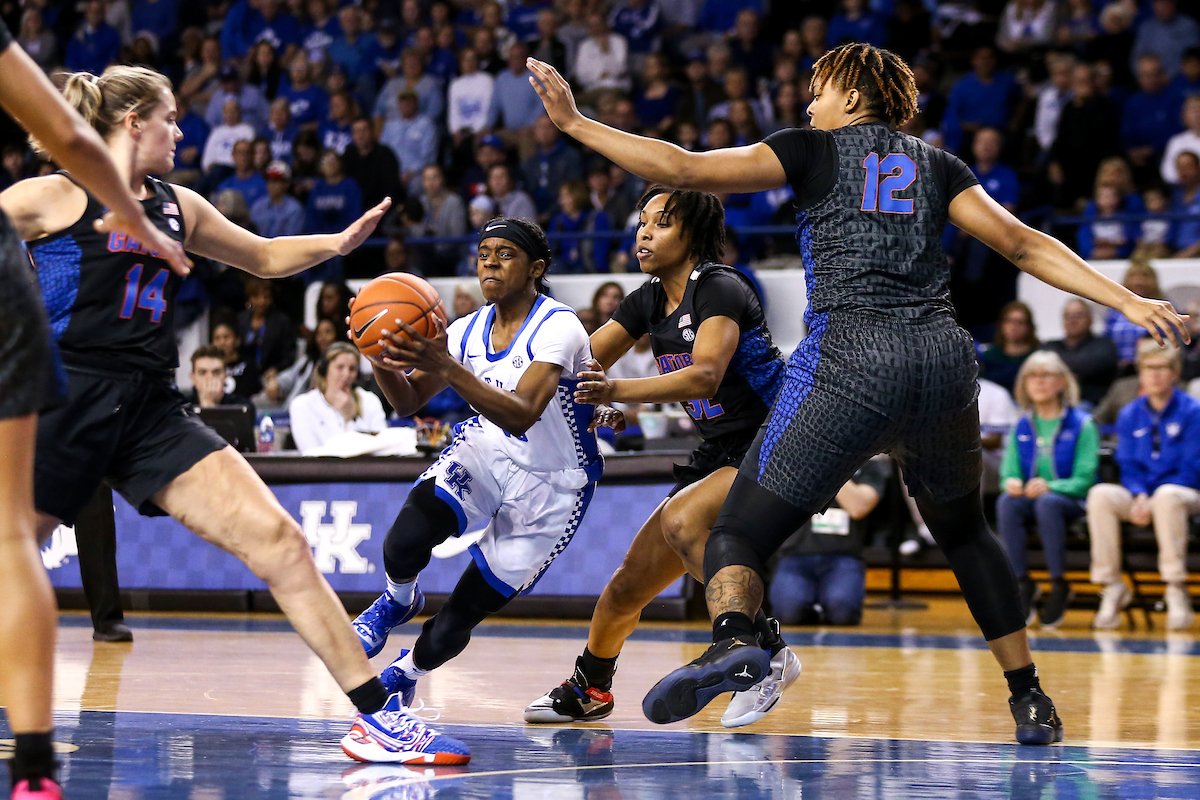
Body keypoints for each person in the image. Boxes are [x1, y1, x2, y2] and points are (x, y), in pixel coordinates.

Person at [526, 42, 1188, 743]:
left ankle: (736, 640)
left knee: (738, 532)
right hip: (941, 361)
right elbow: (1023, 244)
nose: (809, 102)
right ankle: (1029, 698)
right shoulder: (939, 165)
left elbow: (685, 169)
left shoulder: (813, 150)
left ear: (850, 91)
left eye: (818, 89)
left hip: (851, 358)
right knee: (966, 532)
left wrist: (575, 123)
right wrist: (1125, 301)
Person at [1, 64, 468, 766]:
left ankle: (375, 720)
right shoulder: (51, 194)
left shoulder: (176, 206)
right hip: (65, 400)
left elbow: (263, 255)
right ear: (134, 124)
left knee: (281, 544)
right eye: (170, 118)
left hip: (152, 407)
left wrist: (337, 245)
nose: (181, 132)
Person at [524, 187, 799, 729]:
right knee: (628, 584)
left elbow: (704, 374)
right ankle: (592, 687)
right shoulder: (647, 298)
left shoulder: (721, 286)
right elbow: (577, 363)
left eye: (661, 223)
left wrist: (616, 395)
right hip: (720, 449)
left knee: (681, 520)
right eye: (641, 222)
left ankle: (762, 652)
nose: (643, 233)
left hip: (778, 438)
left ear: (691, 234)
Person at [0, 21, 191, 798]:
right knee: (19, 540)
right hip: (46, 356)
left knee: (29, 535)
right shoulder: (51, 189)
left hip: (70, 372)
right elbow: (72, 145)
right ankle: (37, 762)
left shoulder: (69, 188)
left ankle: (42, 747)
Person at [347, 219, 604, 755]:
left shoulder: (560, 326)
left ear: (535, 270)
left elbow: (523, 414)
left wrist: (445, 363)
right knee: (403, 540)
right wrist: (379, 358)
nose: (489, 262)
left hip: (553, 486)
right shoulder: (465, 329)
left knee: (455, 621)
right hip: (486, 452)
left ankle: (406, 672)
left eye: (504, 254)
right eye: (483, 252)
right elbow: (408, 403)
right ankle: (397, 599)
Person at [1087, 339, 1200, 631]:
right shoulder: (1130, 413)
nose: (1155, 375)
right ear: (1140, 372)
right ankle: (1112, 585)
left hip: (1185, 492)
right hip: (1145, 494)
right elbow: (1128, 463)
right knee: (1101, 494)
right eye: (1149, 368)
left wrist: (1148, 496)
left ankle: (1175, 587)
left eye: (1162, 368)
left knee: (1167, 495)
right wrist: (1138, 494)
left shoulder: (1192, 411)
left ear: (1175, 373)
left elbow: (1191, 467)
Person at [997, 351, 1099, 629]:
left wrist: (1050, 486)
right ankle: (1021, 582)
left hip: (1071, 501)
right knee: (1007, 501)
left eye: (1046, 375)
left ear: (1062, 382)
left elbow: (1085, 478)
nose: (1038, 382)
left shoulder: (1082, 424)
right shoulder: (1022, 424)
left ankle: (1059, 583)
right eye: (1032, 375)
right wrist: (1011, 482)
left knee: (1048, 503)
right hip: (1033, 498)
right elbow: (1008, 470)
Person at [767, 459, 890, 626]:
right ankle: (811, 607)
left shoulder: (868, 464)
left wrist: (829, 466)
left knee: (843, 613)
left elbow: (858, 508)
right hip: (795, 556)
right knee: (788, 614)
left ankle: (827, 603)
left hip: (843, 557)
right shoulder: (789, 460)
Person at [289, 342, 386, 453]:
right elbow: (310, 452)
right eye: (340, 367)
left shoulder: (370, 401)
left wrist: (350, 419)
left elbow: (382, 447)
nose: (346, 375)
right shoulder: (302, 405)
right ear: (325, 370)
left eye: (352, 369)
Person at [1045, 299, 1118, 408]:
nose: (1072, 320)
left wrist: (1059, 371)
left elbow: (1091, 365)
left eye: (1079, 315)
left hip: (1092, 404)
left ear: (1090, 319)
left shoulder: (1104, 345)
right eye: (1068, 316)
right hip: (1054, 402)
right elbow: (1039, 363)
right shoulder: (1051, 345)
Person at [980, 301, 1039, 393]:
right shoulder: (989, 356)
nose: (1014, 326)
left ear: (1029, 326)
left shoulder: (1036, 357)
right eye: (1009, 321)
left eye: (1020, 322)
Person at [185, 345, 256, 411]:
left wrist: (209, 404)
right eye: (202, 373)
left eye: (216, 372)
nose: (210, 378)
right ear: (193, 378)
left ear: (225, 376)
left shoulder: (242, 407)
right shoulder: (182, 408)